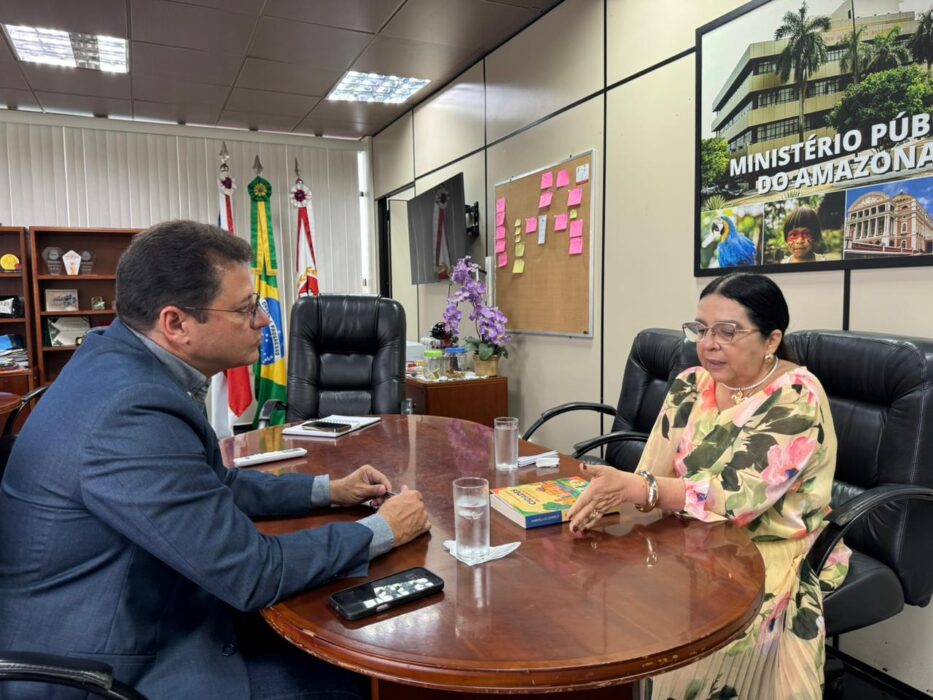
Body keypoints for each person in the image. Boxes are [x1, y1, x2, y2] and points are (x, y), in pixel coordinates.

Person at [0, 221, 431, 700]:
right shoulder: (131, 410)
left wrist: (328, 491)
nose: (265, 322)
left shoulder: (120, 359)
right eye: (248, 309)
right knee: (365, 680)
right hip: (110, 665)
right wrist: (383, 530)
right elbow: (251, 573)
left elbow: (214, 483)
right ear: (176, 323)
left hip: (144, 606)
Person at [567, 272, 850, 700]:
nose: (708, 343)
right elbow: (652, 471)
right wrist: (610, 494)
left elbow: (735, 499)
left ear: (771, 340)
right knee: (609, 602)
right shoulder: (691, 384)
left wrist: (640, 489)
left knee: (688, 644)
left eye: (727, 331)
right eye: (701, 329)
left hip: (764, 547)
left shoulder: (797, 397)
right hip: (689, 535)